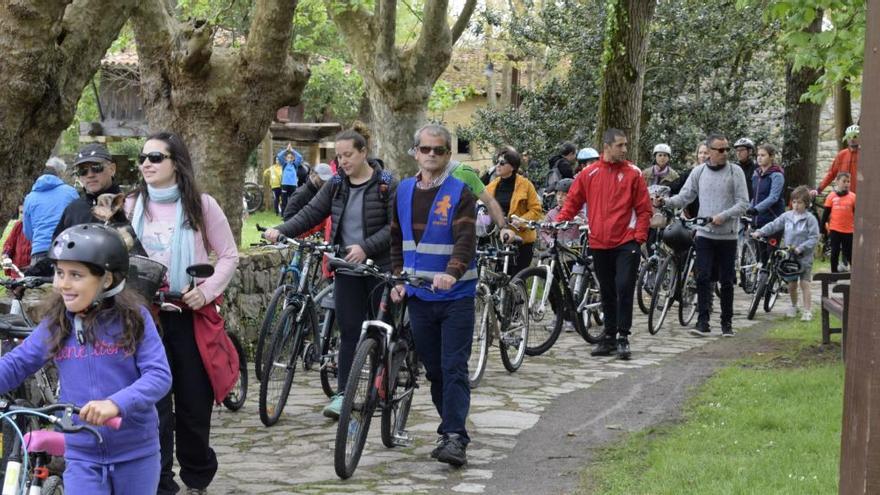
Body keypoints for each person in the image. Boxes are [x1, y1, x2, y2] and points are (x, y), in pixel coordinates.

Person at [0, 224, 171, 493]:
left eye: (76, 275)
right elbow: (18, 362)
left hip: (136, 452)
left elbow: (159, 376)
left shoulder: (134, 319)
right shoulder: (57, 323)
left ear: (106, 279)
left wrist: (116, 404)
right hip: (82, 454)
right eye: (59, 273)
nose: (62, 284)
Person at [126, 132, 240, 495]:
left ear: (176, 162)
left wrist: (205, 291)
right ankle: (159, 483)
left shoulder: (201, 205)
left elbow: (228, 256)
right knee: (152, 408)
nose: (146, 163)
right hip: (144, 320)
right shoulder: (129, 205)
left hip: (188, 317)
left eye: (156, 157)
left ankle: (196, 477)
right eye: (143, 157)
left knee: (193, 405)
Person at [264, 129, 396, 420]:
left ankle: (383, 384)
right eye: (339, 156)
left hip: (379, 270)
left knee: (379, 332)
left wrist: (365, 247)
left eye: (348, 154)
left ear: (363, 152)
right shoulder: (336, 183)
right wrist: (282, 231)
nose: (343, 161)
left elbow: (394, 227)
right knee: (349, 333)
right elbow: (311, 213)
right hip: (347, 269)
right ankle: (343, 395)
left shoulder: (387, 183)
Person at [389, 123, 477, 467]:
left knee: (454, 366)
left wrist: (451, 273)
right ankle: (450, 430)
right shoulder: (403, 191)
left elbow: (465, 240)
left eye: (438, 150)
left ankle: (455, 437)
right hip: (419, 296)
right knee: (436, 371)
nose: (431, 155)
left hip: (455, 296)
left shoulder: (461, 192)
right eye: (425, 149)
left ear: (448, 155)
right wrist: (397, 278)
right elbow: (396, 239)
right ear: (415, 152)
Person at [556, 129, 653, 359]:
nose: (624, 149)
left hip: (626, 242)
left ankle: (623, 337)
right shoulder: (589, 174)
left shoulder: (634, 173)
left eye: (625, 145)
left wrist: (639, 237)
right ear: (607, 146)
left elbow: (644, 209)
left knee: (623, 287)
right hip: (599, 242)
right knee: (607, 291)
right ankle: (608, 336)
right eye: (620, 145)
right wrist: (560, 222)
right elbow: (573, 201)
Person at [658, 133, 750, 337]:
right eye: (721, 149)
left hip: (728, 236)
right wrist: (665, 202)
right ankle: (703, 321)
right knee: (703, 277)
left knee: (726, 281)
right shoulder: (699, 172)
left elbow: (744, 203)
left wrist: (723, 216)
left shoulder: (736, 172)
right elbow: (685, 196)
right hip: (704, 234)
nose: (725, 153)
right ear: (708, 152)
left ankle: (727, 323)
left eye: (727, 149)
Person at [753, 186, 820, 321]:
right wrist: (760, 232)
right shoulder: (787, 216)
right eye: (794, 202)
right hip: (790, 256)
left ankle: (807, 310)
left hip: (804, 257)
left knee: (805, 283)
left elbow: (814, 238)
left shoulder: (810, 219)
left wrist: (801, 248)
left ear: (806, 203)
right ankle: (794, 306)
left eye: (800, 202)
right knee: (792, 284)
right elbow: (774, 224)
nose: (796, 205)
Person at [487, 149, 543, 274]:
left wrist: (521, 221)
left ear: (512, 167)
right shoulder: (491, 186)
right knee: (498, 280)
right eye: (497, 162)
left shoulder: (526, 185)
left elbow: (536, 210)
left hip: (521, 240)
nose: (498, 165)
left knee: (517, 279)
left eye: (502, 163)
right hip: (498, 240)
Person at [53, 144, 127, 237]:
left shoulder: (131, 205)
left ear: (112, 169)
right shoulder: (73, 209)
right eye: (82, 170)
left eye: (96, 167)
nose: (90, 175)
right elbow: (59, 247)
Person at [23, 157, 79, 275]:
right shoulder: (70, 192)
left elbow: (27, 232)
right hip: (66, 249)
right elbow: (78, 221)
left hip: (39, 251)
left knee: (38, 290)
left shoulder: (30, 197)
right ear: (59, 173)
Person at [821, 172, 856, 273]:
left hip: (849, 231)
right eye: (844, 181)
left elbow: (856, 215)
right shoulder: (831, 196)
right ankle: (834, 274)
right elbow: (825, 214)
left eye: (848, 181)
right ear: (837, 182)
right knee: (834, 252)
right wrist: (822, 229)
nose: (846, 184)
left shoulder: (853, 197)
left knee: (849, 253)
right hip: (835, 230)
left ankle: (854, 274)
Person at [813, 124, 860, 196]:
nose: (852, 139)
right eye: (849, 137)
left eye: (855, 136)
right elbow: (831, 174)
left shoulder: (866, 155)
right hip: (844, 195)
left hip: (862, 196)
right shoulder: (841, 155)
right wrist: (819, 189)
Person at [542, 179, 583, 246]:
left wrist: (581, 222)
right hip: (557, 249)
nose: (560, 198)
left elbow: (586, 231)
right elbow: (543, 230)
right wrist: (550, 241)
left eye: (564, 195)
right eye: (558, 194)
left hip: (573, 250)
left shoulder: (579, 214)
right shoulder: (551, 213)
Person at [3, 205, 31, 277]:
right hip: (17, 271)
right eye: (21, 212)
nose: (22, 215)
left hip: (32, 271)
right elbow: (9, 244)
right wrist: (6, 254)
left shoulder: (38, 227)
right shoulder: (19, 225)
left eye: (25, 212)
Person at [276, 144, 303, 214]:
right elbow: (279, 156)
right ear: (286, 158)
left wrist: (292, 150)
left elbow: (300, 157)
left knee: (292, 200)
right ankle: (283, 214)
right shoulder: (284, 164)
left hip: (293, 185)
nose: (290, 159)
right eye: (288, 157)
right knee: (284, 200)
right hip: (284, 184)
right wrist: (286, 150)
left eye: (291, 157)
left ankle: (291, 213)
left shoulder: (295, 164)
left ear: (293, 158)